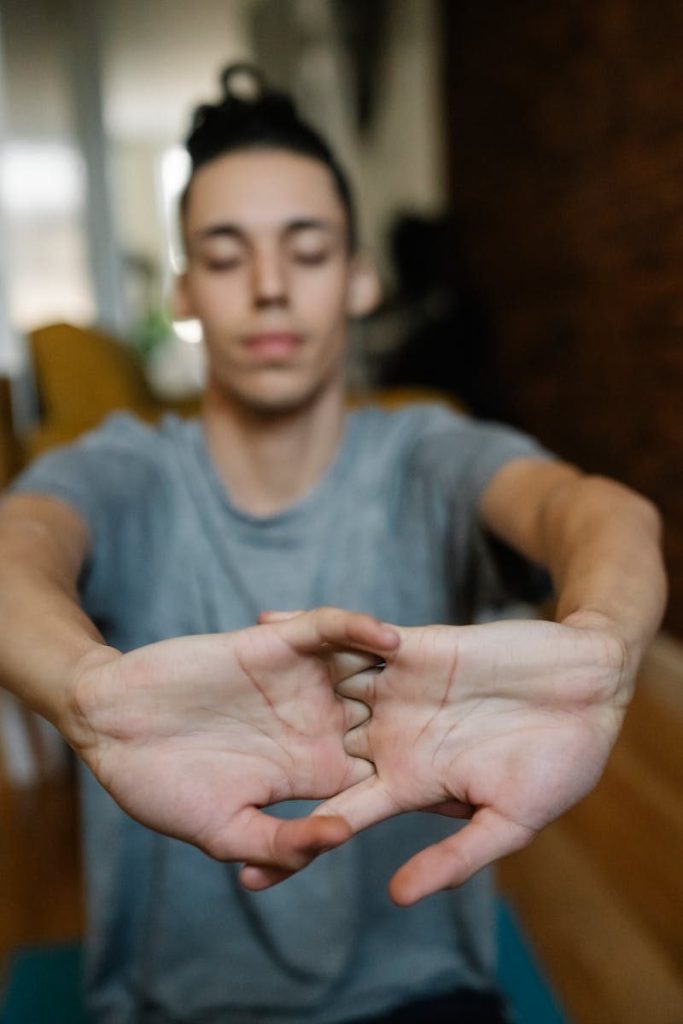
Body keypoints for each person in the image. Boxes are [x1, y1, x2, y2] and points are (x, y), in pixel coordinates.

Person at [0, 64, 665, 1024]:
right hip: (170, 1005)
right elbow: (18, 541)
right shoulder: (129, 468)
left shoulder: (430, 449)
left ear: (358, 277)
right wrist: (83, 695)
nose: (268, 288)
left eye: (305, 250)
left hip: (419, 991)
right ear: (185, 289)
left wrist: (604, 646)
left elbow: (598, 512)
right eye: (225, 257)